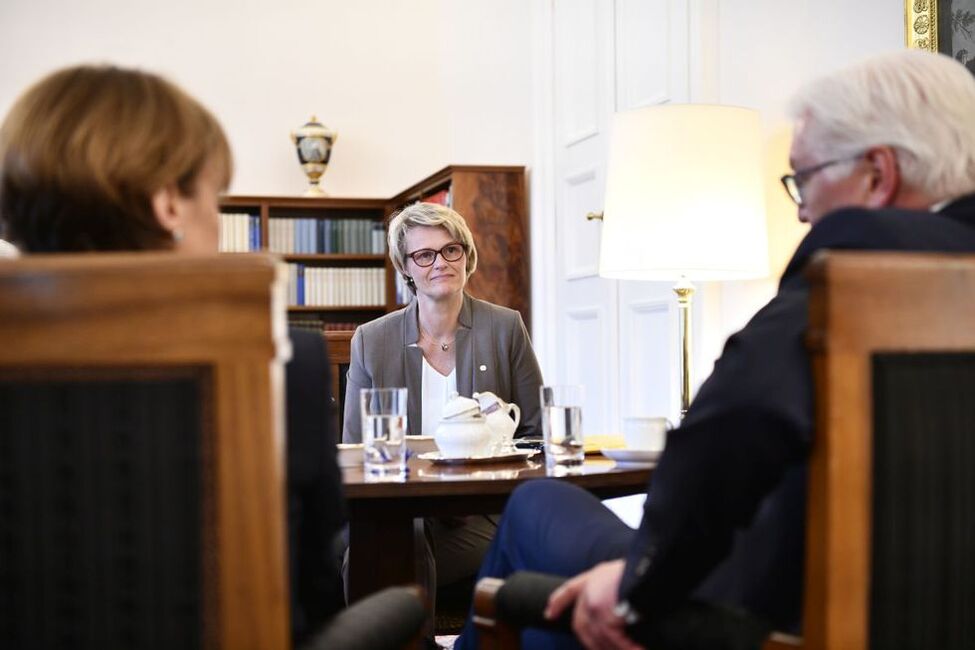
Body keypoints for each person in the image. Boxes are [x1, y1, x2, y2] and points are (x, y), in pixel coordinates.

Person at [454, 49, 975, 650]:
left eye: (802, 179)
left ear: (877, 174)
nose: (802, 208)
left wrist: (636, 580)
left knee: (534, 509)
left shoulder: (848, 290)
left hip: (761, 621)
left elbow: (719, 450)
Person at [0, 64, 345, 645]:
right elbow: (315, 579)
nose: (219, 218)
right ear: (169, 205)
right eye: (217, 198)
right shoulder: (287, 359)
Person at [341, 201, 544, 609]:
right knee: (403, 535)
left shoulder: (505, 327)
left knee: (383, 555)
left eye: (452, 250)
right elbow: (356, 448)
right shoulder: (371, 340)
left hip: (482, 512)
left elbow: (536, 435)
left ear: (467, 257)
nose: (440, 263)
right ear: (406, 267)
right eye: (424, 254)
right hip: (397, 508)